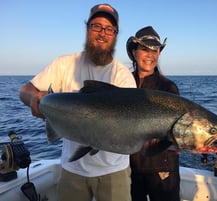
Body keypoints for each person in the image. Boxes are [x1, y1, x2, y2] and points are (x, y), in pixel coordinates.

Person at [19, 4, 136, 201]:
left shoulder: (123, 77)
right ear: (87, 28)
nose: (102, 33)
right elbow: (25, 90)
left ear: (115, 35)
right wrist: (34, 99)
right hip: (72, 170)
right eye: (96, 26)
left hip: (114, 171)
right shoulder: (64, 64)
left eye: (109, 29)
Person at [126, 26, 180, 201]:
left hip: (163, 169)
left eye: (155, 50)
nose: (151, 55)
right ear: (134, 53)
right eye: (145, 49)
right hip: (130, 168)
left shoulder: (168, 88)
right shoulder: (123, 83)